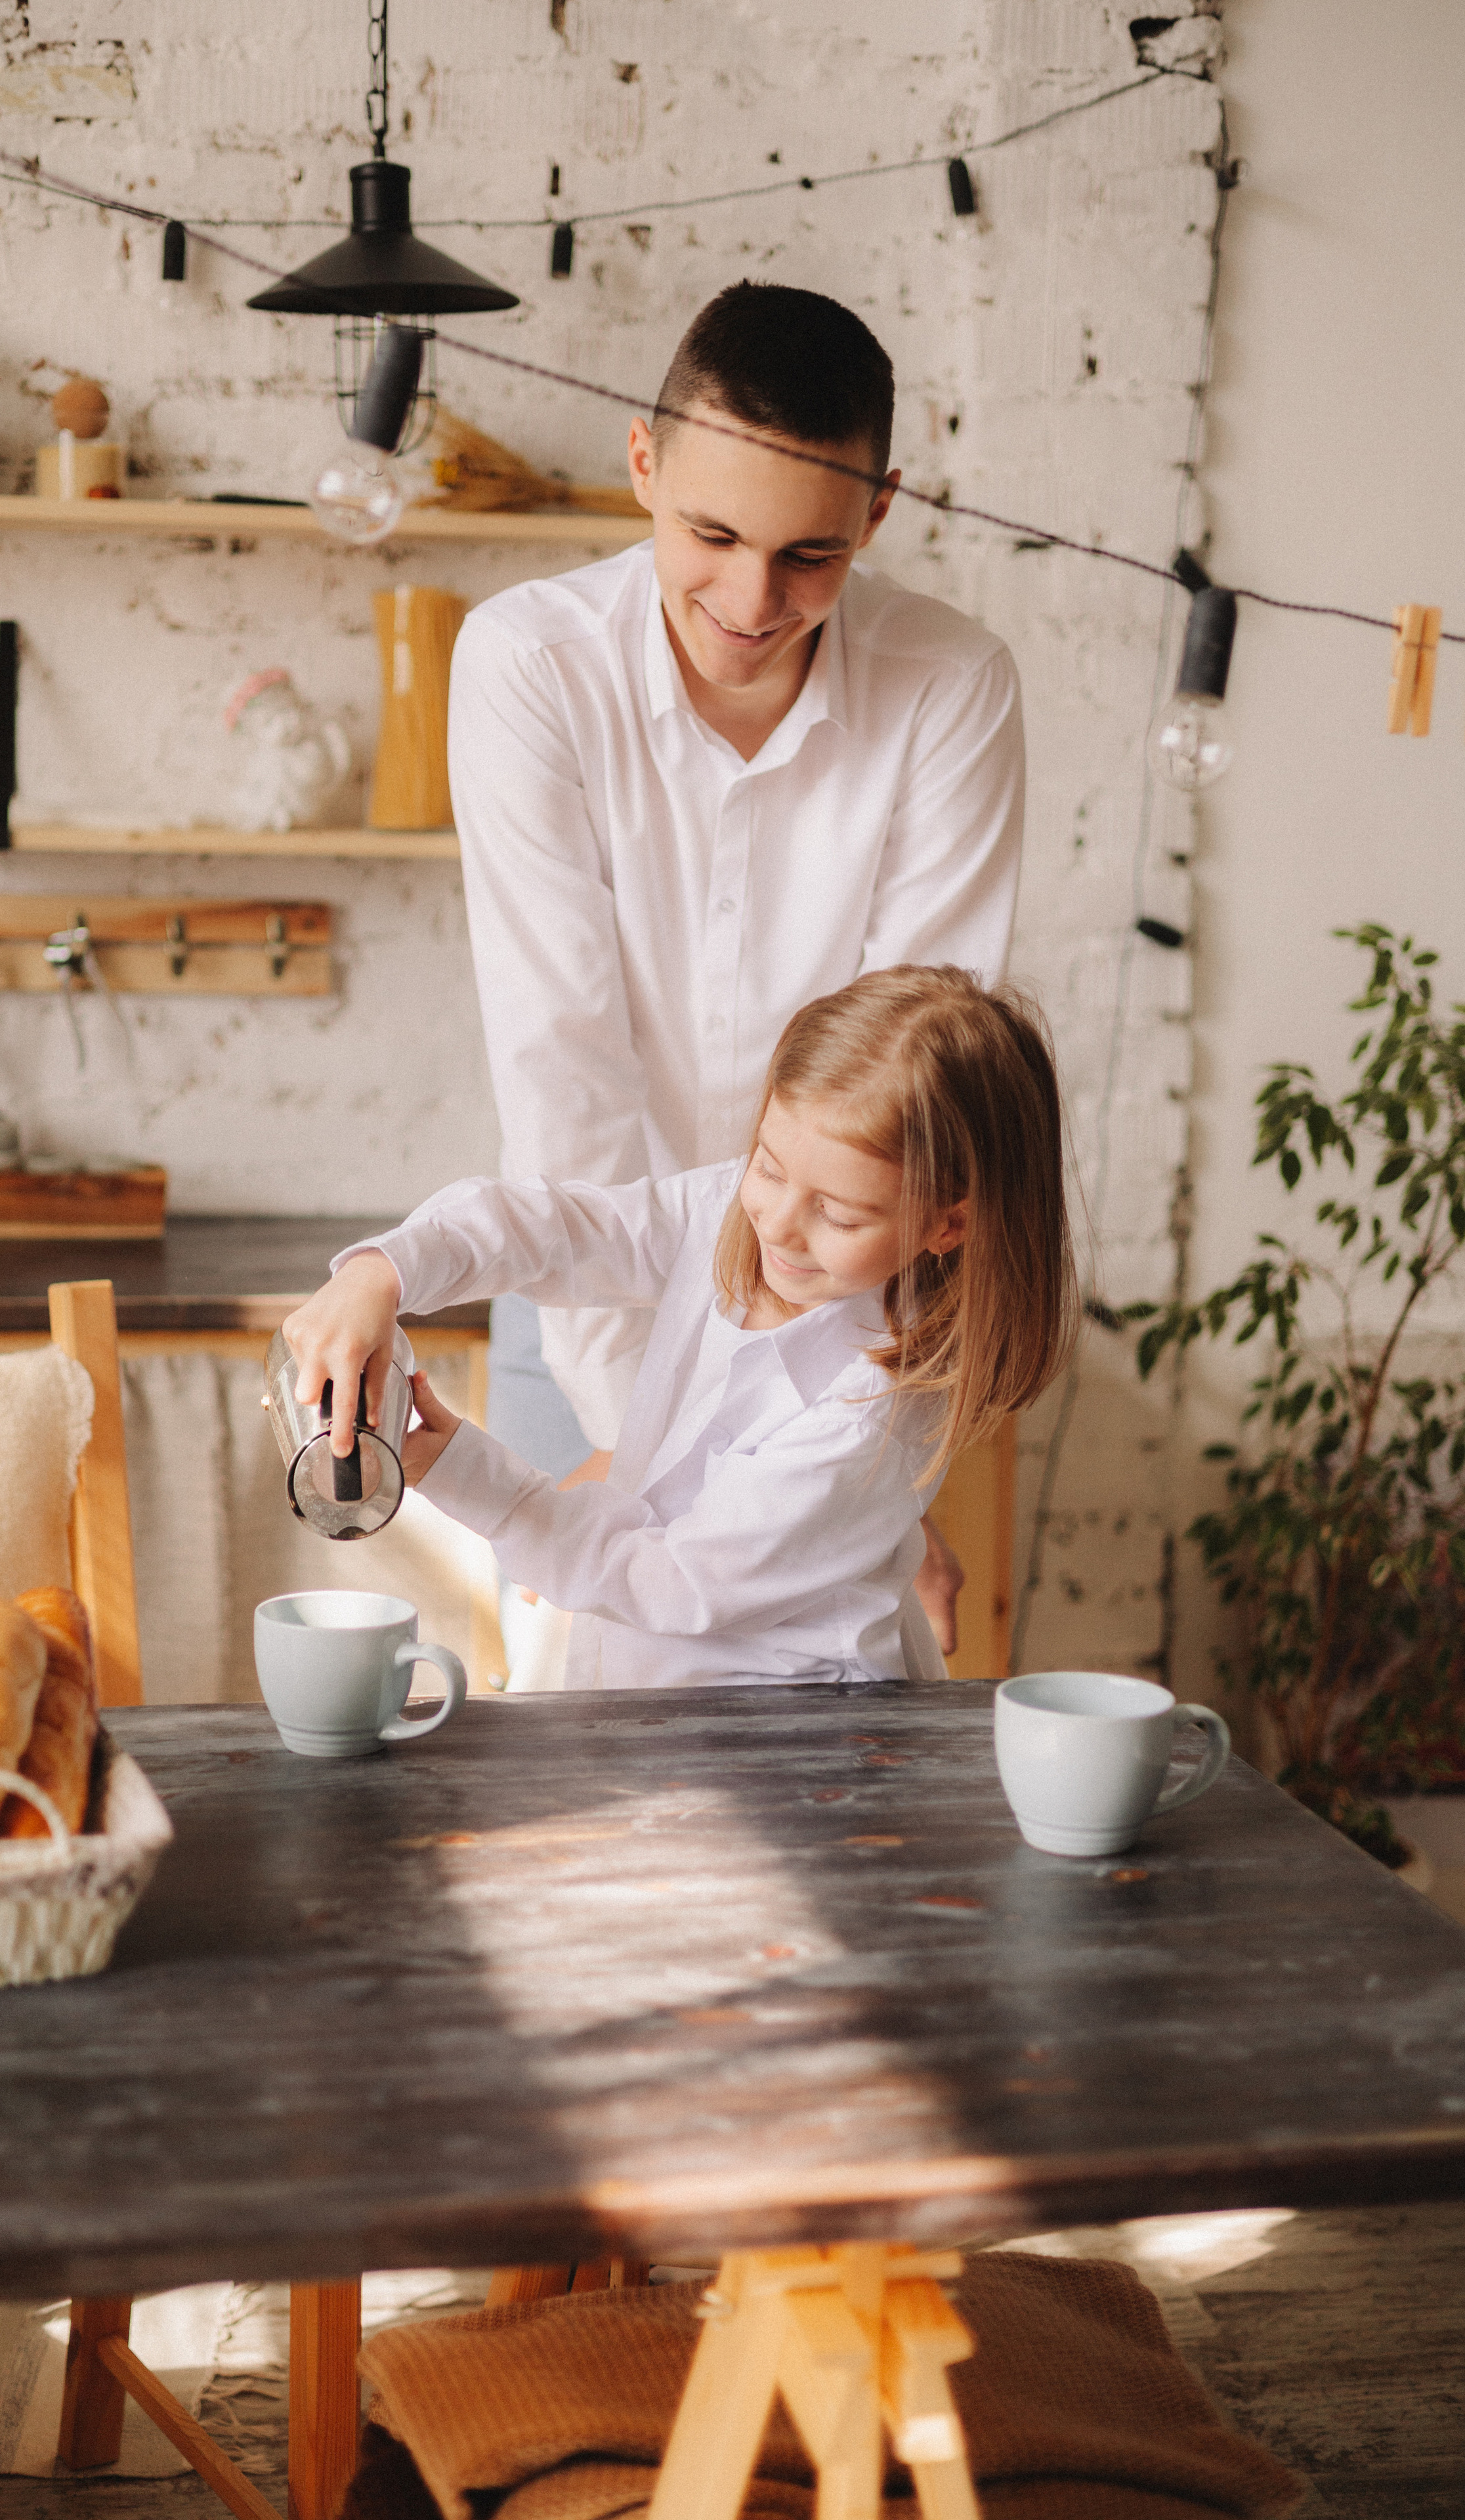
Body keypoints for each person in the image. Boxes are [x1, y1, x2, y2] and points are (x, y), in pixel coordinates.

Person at [448, 281, 1026, 1658]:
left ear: (879, 509)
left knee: (835, 1755)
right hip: (597, 1289)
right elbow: (561, 1064)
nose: (752, 601)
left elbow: (921, 1085)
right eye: (709, 535)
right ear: (641, 467)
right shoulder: (530, 667)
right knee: (582, 1724)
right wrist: (636, 1455)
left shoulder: (950, 688)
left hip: (856, 1313)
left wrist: (842, 1479)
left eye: (809, 556)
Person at [282, 967, 1076, 1690]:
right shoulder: (732, 1214)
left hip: (789, 1733)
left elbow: (676, 1582)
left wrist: (469, 1476)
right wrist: (382, 1272)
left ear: (948, 1225)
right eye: (767, 1166)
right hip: (638, 1674)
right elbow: (560, 1228)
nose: (778, 1226)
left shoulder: (877, 1413)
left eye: (837, 1213)